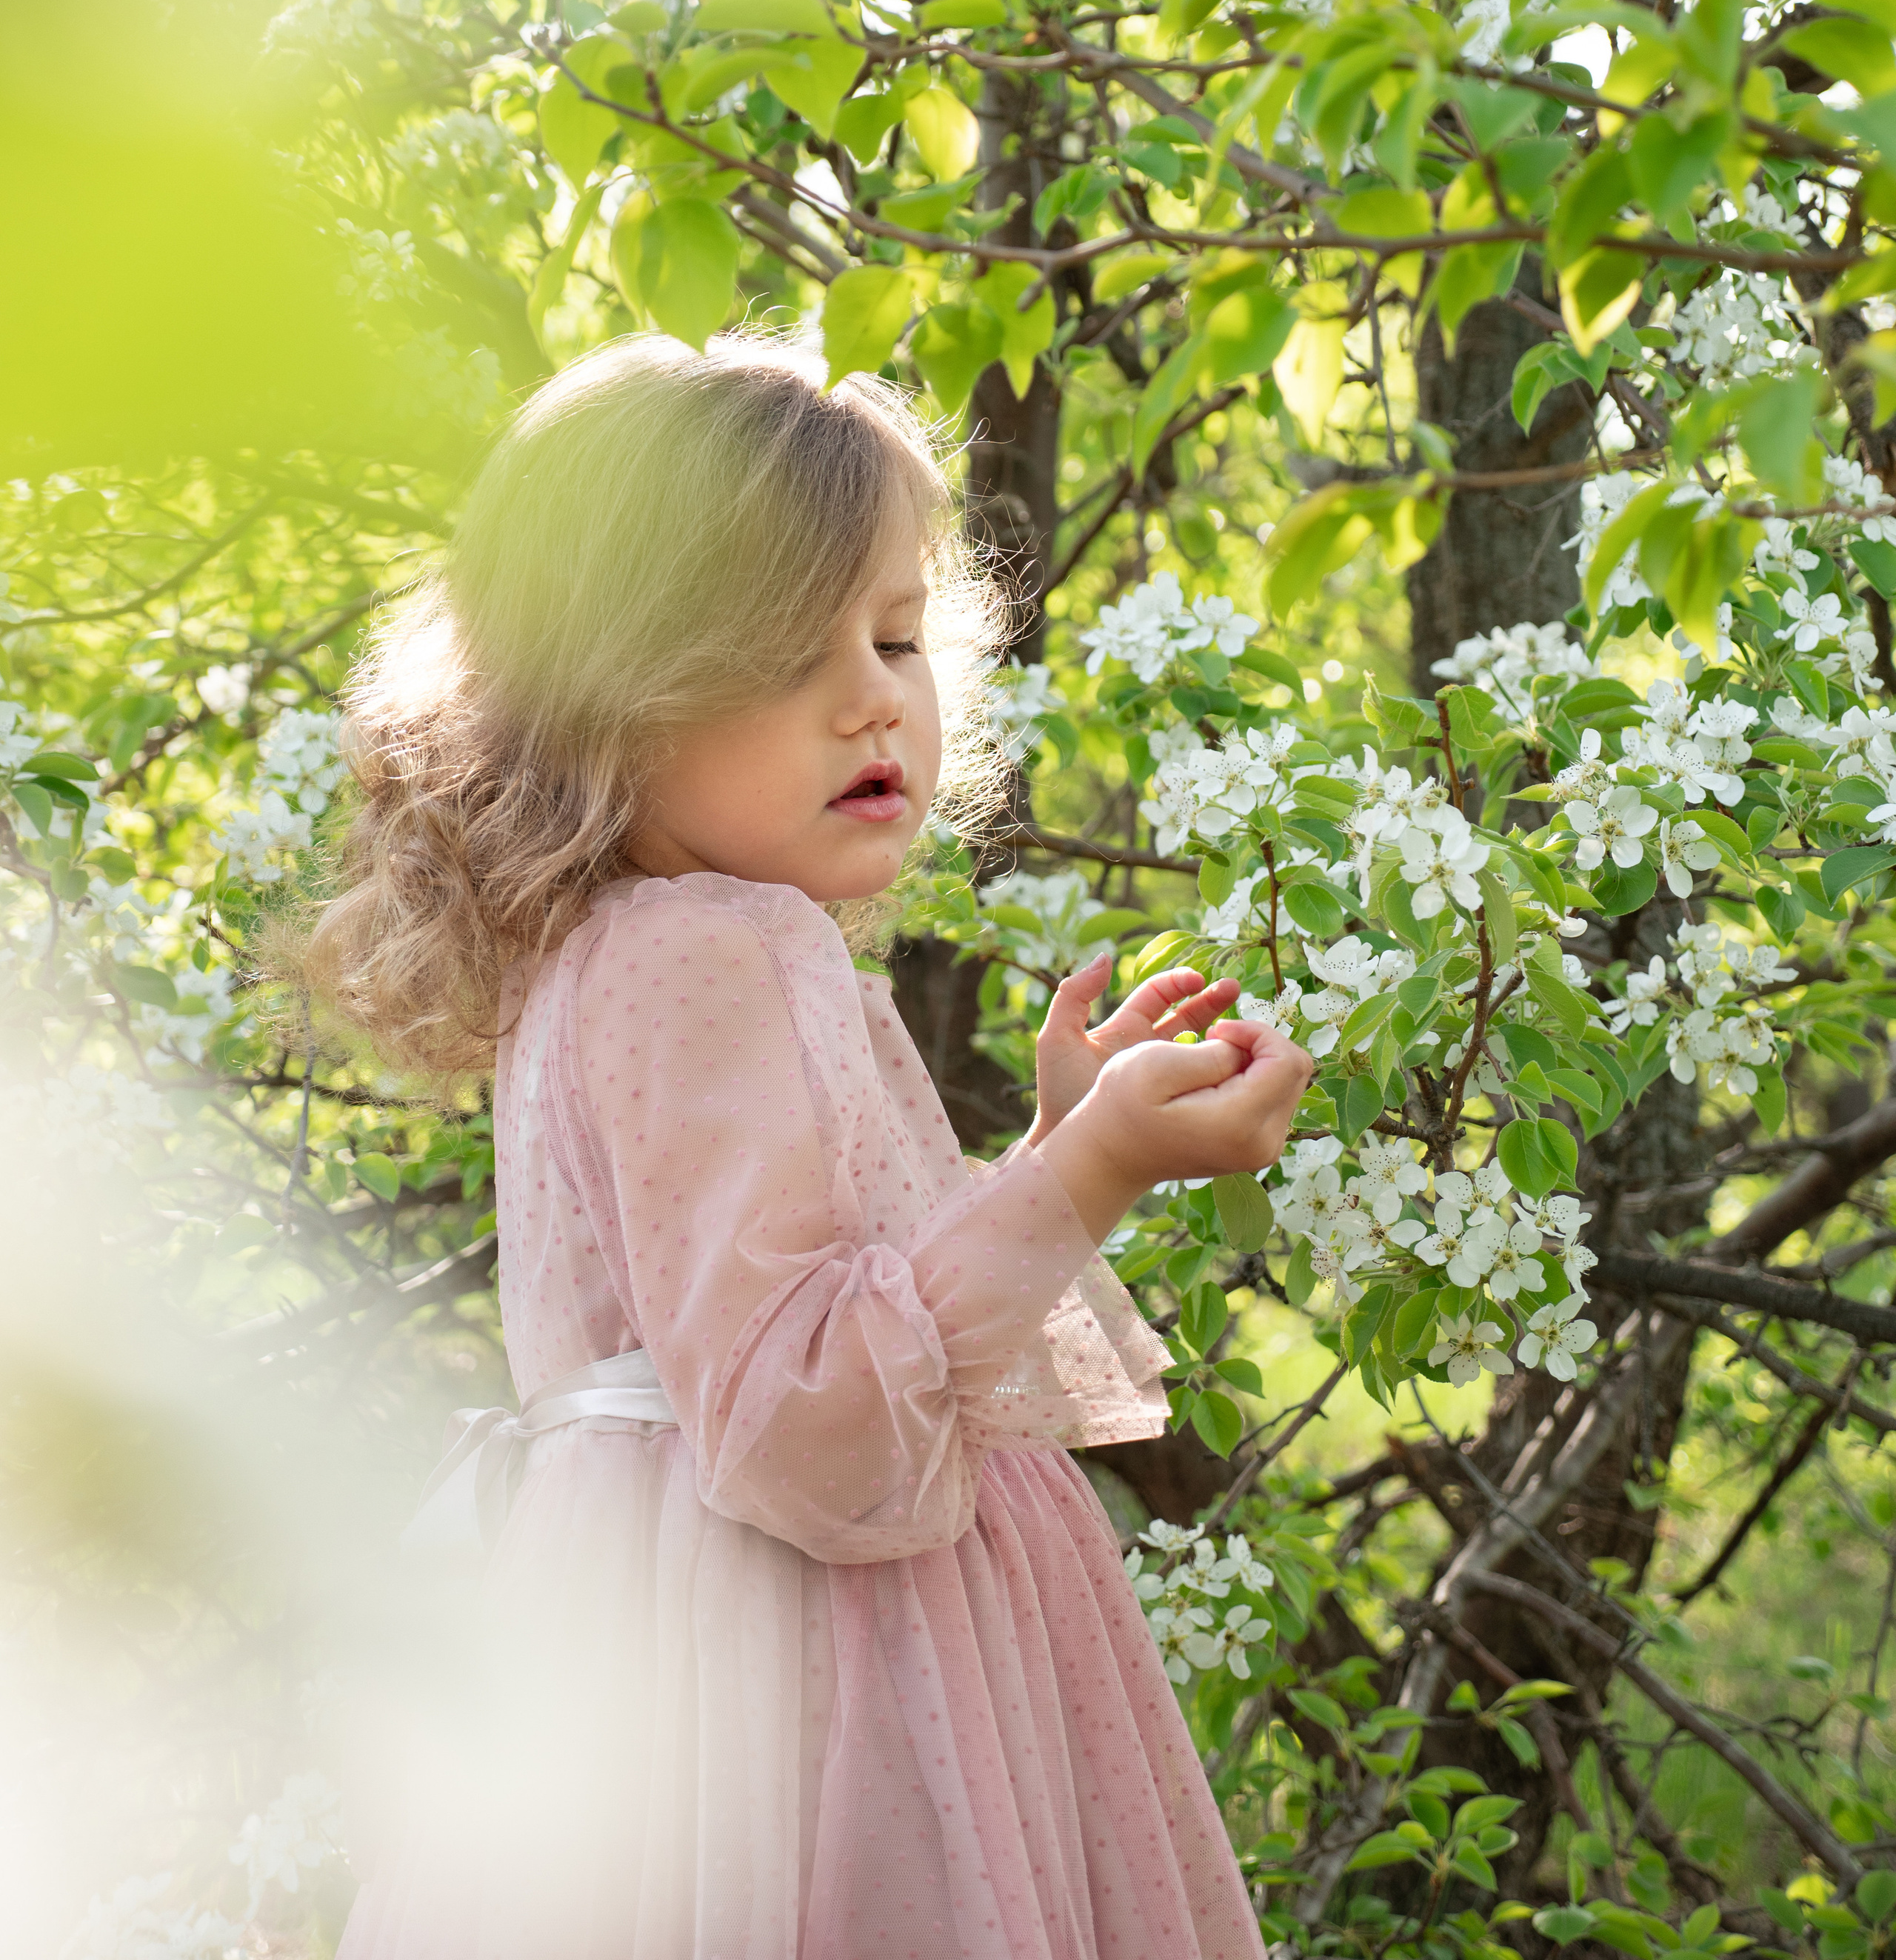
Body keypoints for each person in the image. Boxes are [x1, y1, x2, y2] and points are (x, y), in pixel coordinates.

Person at [308, 334, 1314, 1960]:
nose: (874, 694)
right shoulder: (713, 946)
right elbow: (805, 1426)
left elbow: (809, 1319)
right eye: (793, 648)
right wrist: (1091, 1173)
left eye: (899, 634)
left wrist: (1053, 1145)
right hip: (792, 1656)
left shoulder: (622, 945)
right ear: (615, 688)